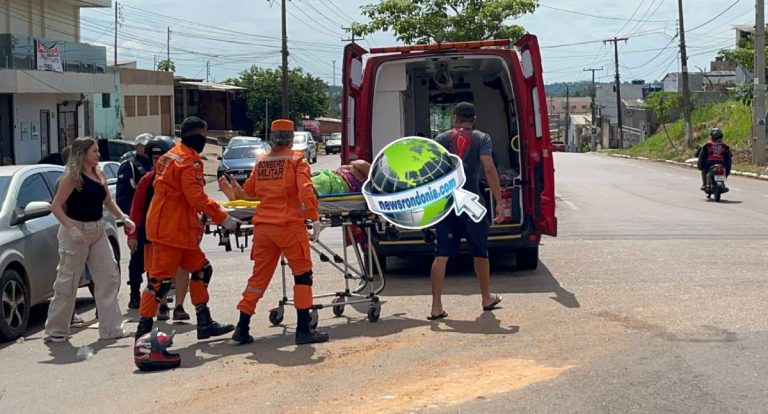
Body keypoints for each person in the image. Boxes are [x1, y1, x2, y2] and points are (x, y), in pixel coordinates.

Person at [135, 117, 239, 341]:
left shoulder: (170, 155)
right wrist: (222, 217)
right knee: (159, 282)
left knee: (202, 269)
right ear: (196, 135)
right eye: (203, 135)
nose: (203, 140)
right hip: (171, 230)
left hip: (176, 228)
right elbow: (196, 197)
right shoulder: (189, 161)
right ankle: (143, 332)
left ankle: (204, 322)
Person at [230, 119, 329, 345]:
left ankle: (242, 327)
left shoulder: (262, 162)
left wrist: (235, 191)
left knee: (258, 278)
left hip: (264, 228)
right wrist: (314, 218)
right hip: (288, 225)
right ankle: (304, 329)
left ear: (272, 137)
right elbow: (305, 191)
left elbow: (249, 192)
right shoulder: (296, 160)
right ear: (291, 138)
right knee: (302, 274)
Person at [44, 137, 136, 342]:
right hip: (75, 231)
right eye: (94, 151)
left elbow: (108, 201)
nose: (98, 154)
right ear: (83, 153)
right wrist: (71, 228)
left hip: (97, 228)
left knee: (108, 277)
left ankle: (112, 329)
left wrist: (123, 217)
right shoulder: (71, 177)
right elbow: (56, 206)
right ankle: (56, 331)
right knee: (68, 281)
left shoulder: (98, 173)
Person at [428, 102, 505, 320]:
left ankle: (436, 307)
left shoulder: (440, 140)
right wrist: (498, 202)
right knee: (480, 251)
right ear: (474, 120)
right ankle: (486, 297)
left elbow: (431, 172)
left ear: (454, 118)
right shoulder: (482, 138)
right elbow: (488, 168)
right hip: (472, 203)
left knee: (441, 254)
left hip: (446, 204)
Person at [127, 136, 191, 321]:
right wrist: (132, 234)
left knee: (181, 268)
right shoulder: (146, 181)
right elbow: (136, 210)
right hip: (154, 235)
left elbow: (193, 202)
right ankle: (161, 305)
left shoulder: (182, 177)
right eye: (155, 158)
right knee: (156, 272)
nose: (158, 162)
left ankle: (179, 306)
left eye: (161, 157)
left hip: (179, 232)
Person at [117, 133, 155, 309]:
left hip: (155, 218)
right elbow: (122, 197)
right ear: (136, 146)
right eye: (143, 145)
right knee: (137, 258)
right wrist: (132, 220)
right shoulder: (129, 166)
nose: (146, 148)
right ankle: (134, 294)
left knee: (155, 258)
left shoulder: (156, 163)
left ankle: (155, 292)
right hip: (138, 220)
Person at [218, 159, 371, 198]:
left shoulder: (367, 175)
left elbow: (359, 163)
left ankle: (246, 196)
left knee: (285, 192)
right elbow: (359, 164)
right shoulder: (365, 176)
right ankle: (246, 196)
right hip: (327, 181)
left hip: (330, 183)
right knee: (285, 189)